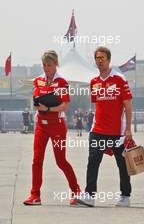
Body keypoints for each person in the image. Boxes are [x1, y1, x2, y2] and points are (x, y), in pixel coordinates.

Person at [75, 46, 133, 207]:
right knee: (93, 161)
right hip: (98, 130)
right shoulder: (94, 82)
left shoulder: (120, 79)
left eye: (103, 58)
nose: (100, 60)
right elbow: (98, 105)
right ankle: (89, 195)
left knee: (122, 164)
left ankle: (125, 195)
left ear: (108, 59)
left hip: (117, 132)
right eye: (97, 58)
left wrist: (128, 129)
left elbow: (128, 105)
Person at [23, 50, 80, 206]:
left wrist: (48, 109)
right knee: (36, 160)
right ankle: (35, 195)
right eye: (44, 65)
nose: (46, 67)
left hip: (57, 126)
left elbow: (65, 106)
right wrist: (37, 105)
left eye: (49, 64)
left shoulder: (62, 82)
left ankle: (77, 192)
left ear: (55, 64)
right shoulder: (38, 80)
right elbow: (35, 99)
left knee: (60, 161)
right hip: (41, 125)